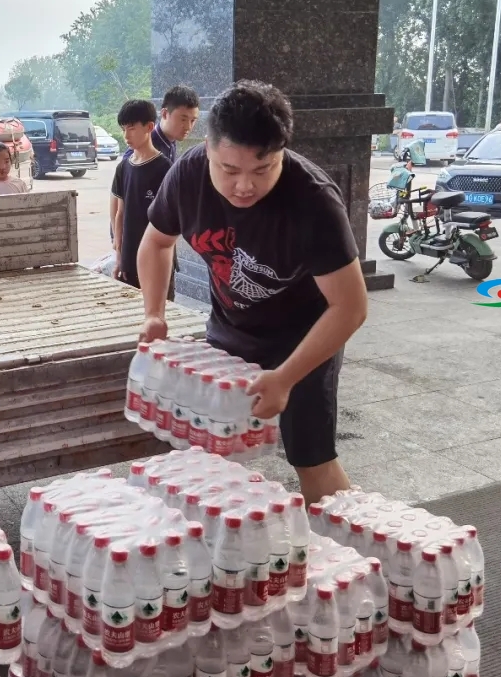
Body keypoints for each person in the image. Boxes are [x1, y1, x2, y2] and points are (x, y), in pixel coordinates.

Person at [136, 80, 369, 505]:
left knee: (311, 456)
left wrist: (285, 377)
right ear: (207, 147)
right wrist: (154, 311)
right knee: (209, 450)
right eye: (229, 169)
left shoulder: (314, 201)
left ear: (281, 153)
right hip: (229, 330)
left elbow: (350, 307)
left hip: (303, 338)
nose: (244, 186)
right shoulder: (187, 175)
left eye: (262, 170)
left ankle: (347, 552)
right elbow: (155, 242)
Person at [110, 99, 175, 300]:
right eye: (123, 129)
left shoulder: (165, 168)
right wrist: (119, 257)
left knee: (159, 314)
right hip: (130, 258)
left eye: (131, 128)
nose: (126, 135)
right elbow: (120, 213)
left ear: (149, 127)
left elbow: (172, 222)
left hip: (157, 259)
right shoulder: (123, 167)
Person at [151, 84, 201, 161]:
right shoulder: (145, 148)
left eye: (193, 120)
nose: (188, 127)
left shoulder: (170, 140)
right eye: (183, 119)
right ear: (164, 114)